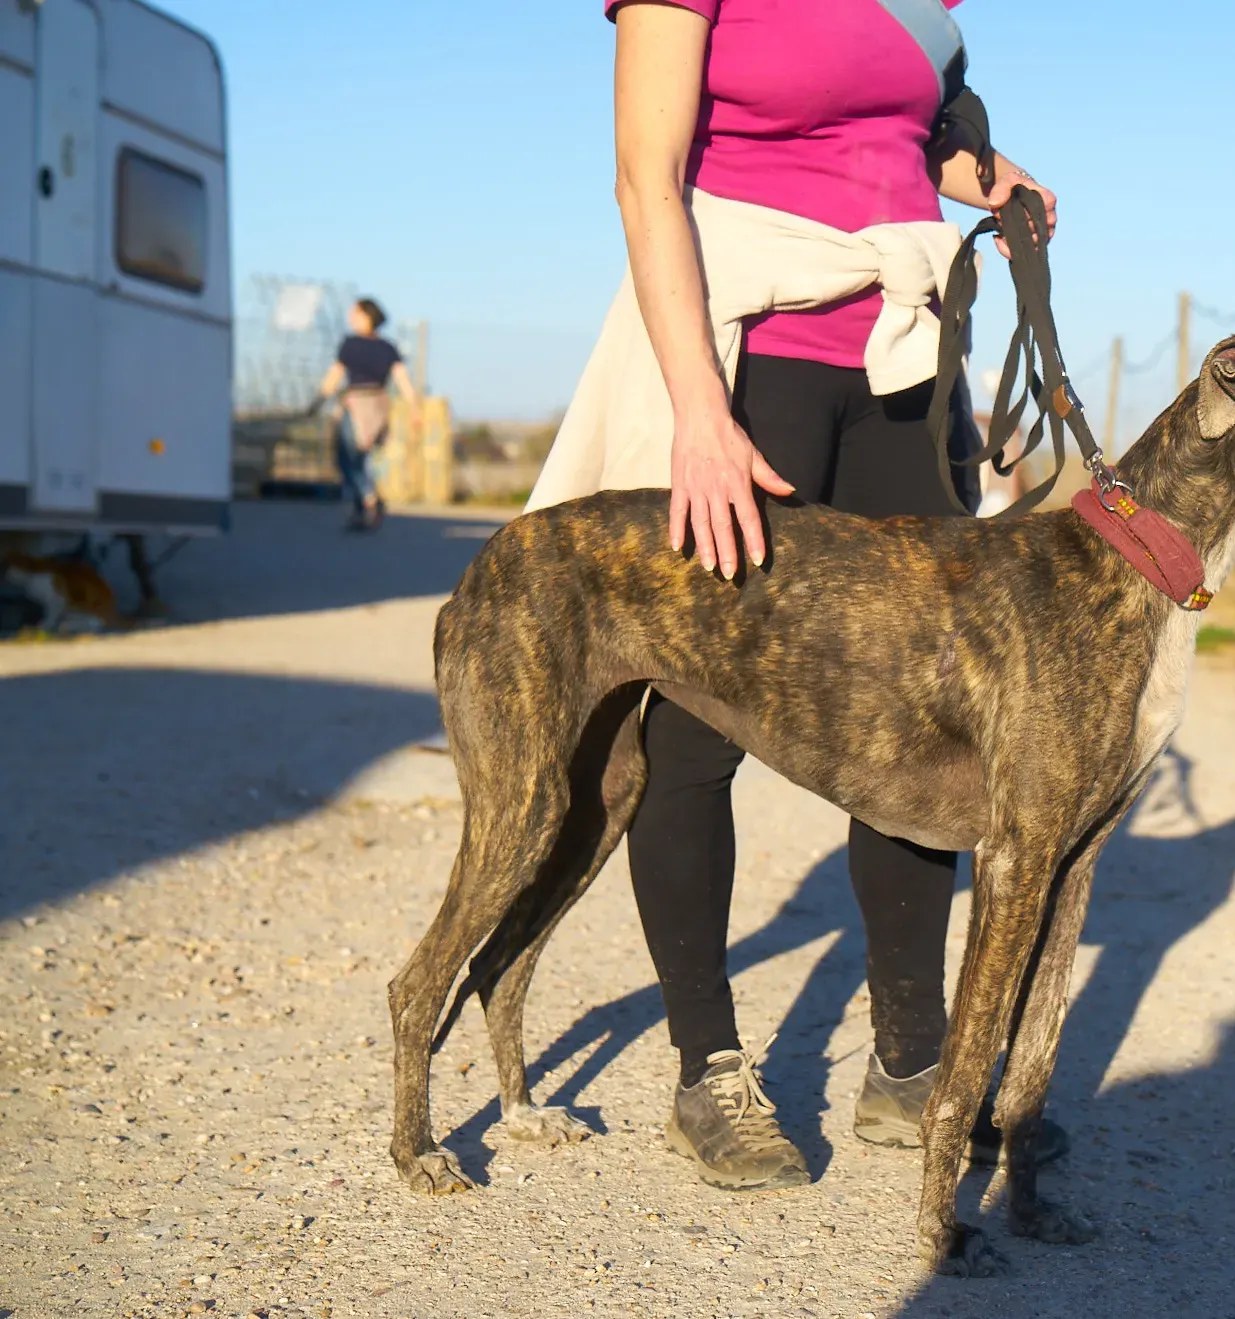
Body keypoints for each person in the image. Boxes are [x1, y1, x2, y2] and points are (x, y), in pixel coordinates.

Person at [533, 0, 1066, 1190]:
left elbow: (907, 130)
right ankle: (708, 1068)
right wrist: (697, 415)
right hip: (747, 355)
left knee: (922, 724)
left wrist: (983, 175)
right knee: (691, 727)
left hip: (902, 363)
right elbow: (644, 178)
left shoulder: (933, 9)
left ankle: (912, 1064)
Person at [317, 298, 421, 531]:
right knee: (361, 458)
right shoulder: (387, 347)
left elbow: (334, 375)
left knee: (348, 459)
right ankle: (361, 510)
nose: (351, 317)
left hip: (355, 405)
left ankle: (369, 499)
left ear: (367, 316)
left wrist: (318, 400)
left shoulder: (350, 344)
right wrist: (414, 408)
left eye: (355, 312)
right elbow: (403, 380)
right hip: (378, 406)